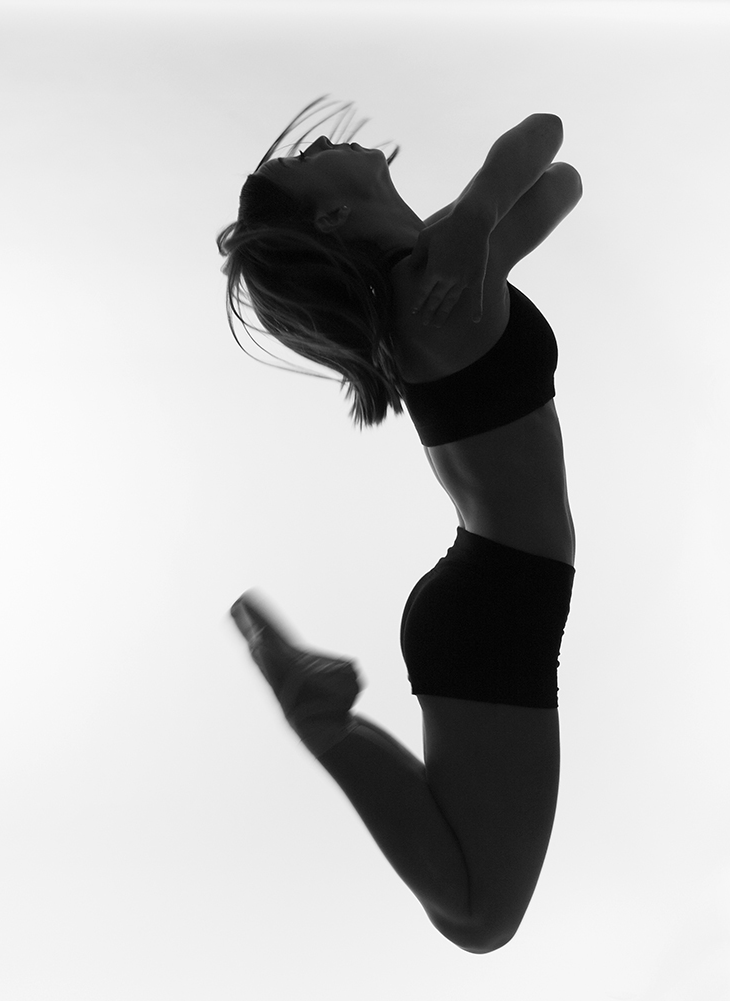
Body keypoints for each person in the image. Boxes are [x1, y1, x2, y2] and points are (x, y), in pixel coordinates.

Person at [217, 99, 582, 953]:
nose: (322, 141)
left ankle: (323, 720)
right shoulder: (431, 297)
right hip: (495, 604)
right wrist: (474, 218)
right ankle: (323, 724)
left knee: (477, 913)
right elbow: (544, 153)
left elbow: (556, 172)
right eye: (302, 161)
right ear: (332, 212)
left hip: (494, 596)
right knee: (477, 915)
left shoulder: (436, 278)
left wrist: (474, 220)